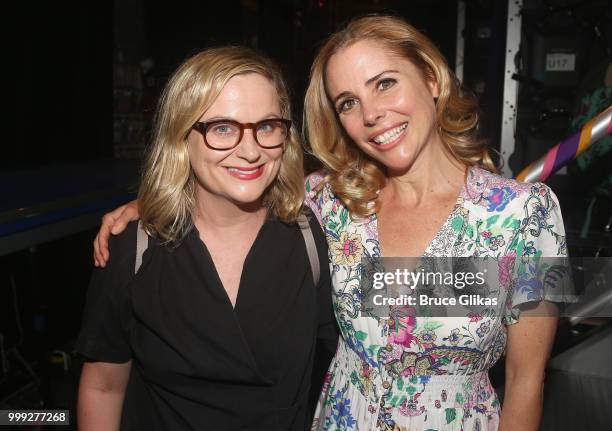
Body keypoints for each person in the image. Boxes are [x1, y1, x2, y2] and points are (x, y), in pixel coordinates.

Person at [94, 16, 569, 431]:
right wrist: (147, 204)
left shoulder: (529, 214)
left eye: (385, 83)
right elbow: (233, 180)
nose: (372, 114)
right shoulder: (333, 201)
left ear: (431, 79)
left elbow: (529, 381)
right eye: (347, 102)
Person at [77, 46, 337, 431]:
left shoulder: (316, 235)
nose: (250, 151)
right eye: (222, 128)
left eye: (266, 126)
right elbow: (103, 387)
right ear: (182, 137)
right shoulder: (131, 246)